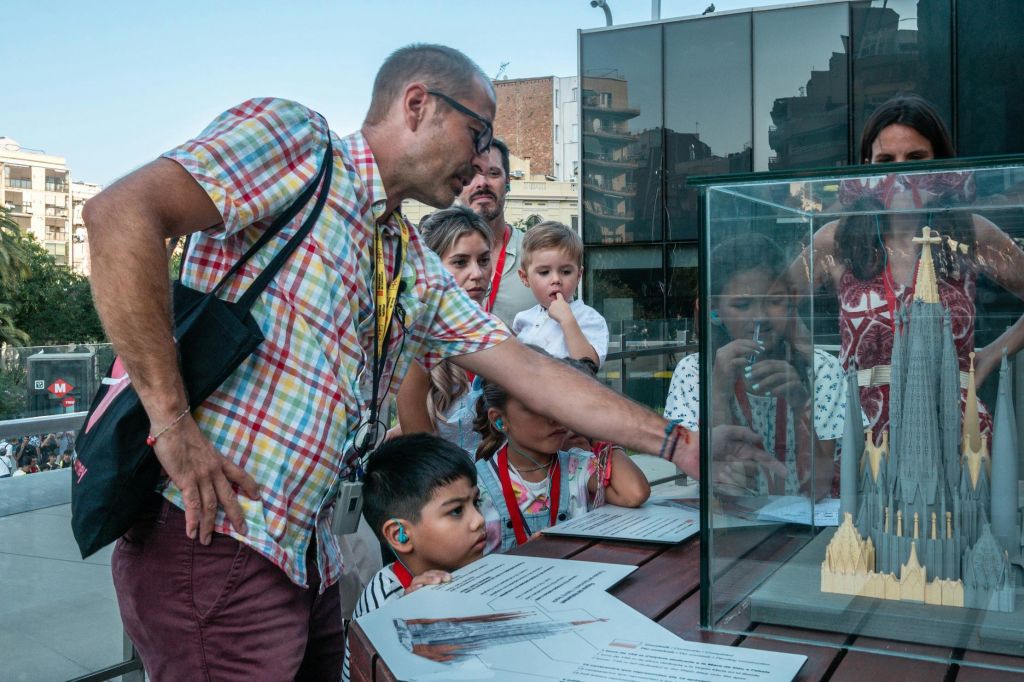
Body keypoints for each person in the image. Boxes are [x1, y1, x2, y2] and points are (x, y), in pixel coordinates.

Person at [83, 43, 708, 679]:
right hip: (218, 540)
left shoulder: (401, 253)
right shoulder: (298, 141)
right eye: (477, 131)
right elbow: (120, 212)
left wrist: (677, 442)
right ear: (417, 105)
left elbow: (529, 369)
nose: (479, 160)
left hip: (309, 558)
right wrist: (171, 424)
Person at [790, 94, 1024, 450]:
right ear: (865, 165)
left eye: (916, 158)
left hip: (953, 429)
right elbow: (771, 304)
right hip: (859, 432)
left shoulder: (970, 233)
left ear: (940, 163)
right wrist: (818, 365)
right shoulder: (837, 239)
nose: (901, 172)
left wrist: (992, 354)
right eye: (885, 160)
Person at [667, 235, 849, 499]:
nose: (761, 317)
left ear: (791, 301)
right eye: (742, 304)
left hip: (804, 533)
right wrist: (718, 394)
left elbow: (823, 482)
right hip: (730, 528)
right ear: (713, 310)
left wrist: (802, 403)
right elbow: (716, 479)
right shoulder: (693, 372)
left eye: (774, 301)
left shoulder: (822, 369)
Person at [473, 353, 650, 553]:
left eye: (559, 406)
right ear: (499, 420)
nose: (555, 418)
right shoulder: (477, 484)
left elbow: (635, 493)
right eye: (537, 408)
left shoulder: (578, 467)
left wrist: (599, 426)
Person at [341, 433, 484, 682]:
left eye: (476, 502)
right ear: (401, 535)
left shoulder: (470, 568)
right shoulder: (386, 599)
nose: (479, 520)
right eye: (456, 511)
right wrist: (409, 616)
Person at [395, 206, 493, 453]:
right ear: (432, 269)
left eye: (484, 260)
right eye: (460, 262)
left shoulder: (502, 334)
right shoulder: (416, 348)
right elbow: (423, 451)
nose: (477, 273)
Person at [458, 138, 535, 326]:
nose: (482, 183)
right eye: (471, 174)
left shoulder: (537, 255)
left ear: (508, 182)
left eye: (493, 173)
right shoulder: (433, 259)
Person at [512, 221, 609, 367]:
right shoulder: (522, 319)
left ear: (578, 276)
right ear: (525, 278)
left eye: (566, 272)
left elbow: (589, 367)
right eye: (544, 272)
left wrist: (567, 321)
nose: (556, 279)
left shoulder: (589, 318)